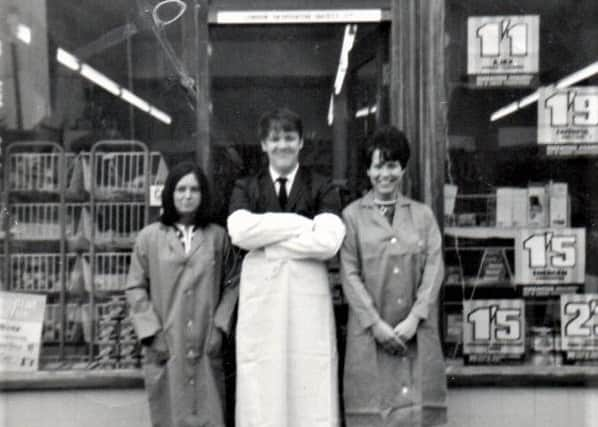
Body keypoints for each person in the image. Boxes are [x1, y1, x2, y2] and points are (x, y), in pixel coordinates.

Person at [227, 108, 346, 427]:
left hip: (307, 303)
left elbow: (329, 242)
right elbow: (239, 232)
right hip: (262, 303)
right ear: (263, 145)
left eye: (289, 138)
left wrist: (266, 242)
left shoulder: (322, 186)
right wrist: (300, 224)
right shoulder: (246, 187)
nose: (282, 145)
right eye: (275, 138)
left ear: (301, 142)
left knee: (311, 382)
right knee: (262, 386)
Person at [340, 126, 447, 427]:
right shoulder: (352, 217)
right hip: (371, 335)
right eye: (377, 165)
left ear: (403, 168)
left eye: (391, 165)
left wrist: (415, 318)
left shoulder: (423, 216)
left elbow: (435, 267)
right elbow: (349, 273)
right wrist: (376, 325)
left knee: (419, 413)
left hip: (416, 332)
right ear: (367, 169)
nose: (384, 174)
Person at [126, 161, 239, 427]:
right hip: (167, 341)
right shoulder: (149, 237)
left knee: (210, 414)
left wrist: (220, 328)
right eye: (180, 189)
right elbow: (135, 286)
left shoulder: (217, 237)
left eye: (194, 190)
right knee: (170, 416)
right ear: (170, 194)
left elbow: (233, 283)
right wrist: (152, 333)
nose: (187, 196)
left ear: (203, 195)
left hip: (206, 341)